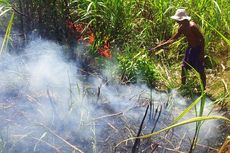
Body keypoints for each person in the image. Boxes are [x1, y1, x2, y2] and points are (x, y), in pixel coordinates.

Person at [150, 8, 206, 89]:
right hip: (190, 49)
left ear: (183, 19)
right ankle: (183, 86)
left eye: (178, 20)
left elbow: (202, 39)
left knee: (200, 70)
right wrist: (159, 46)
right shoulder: (182, 28)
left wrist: (202, 53)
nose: (177, 21)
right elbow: (173, 39)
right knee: (184, 67)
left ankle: (203, 89)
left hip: (197, 49)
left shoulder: (192, 26)